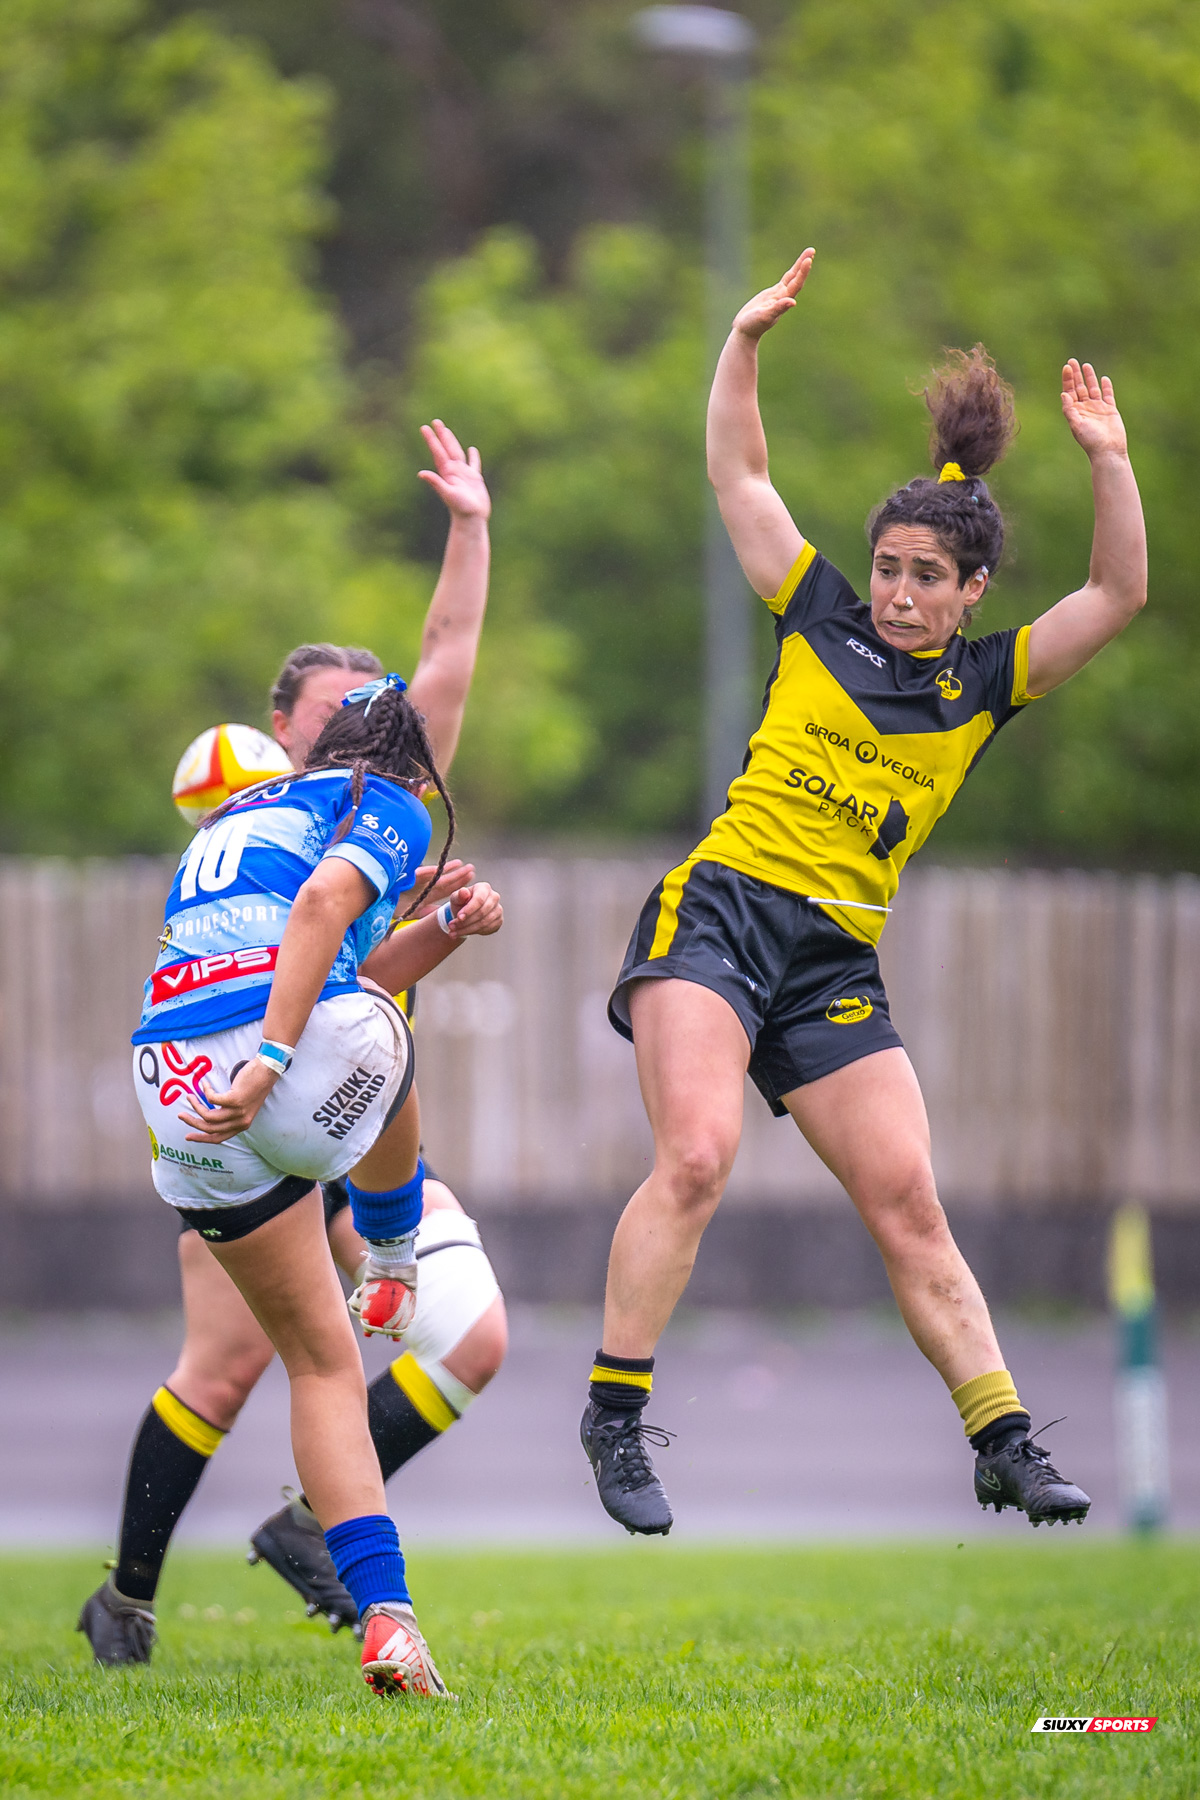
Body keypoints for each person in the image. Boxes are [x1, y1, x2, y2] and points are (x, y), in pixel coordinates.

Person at [581, 248, 1147, 1536]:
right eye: (887, 569)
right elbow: (740, 473)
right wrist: (743, 341)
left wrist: (1108, 457)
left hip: (835, 958)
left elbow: (1119, 592)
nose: (895, 592)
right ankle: (615, 1417)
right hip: (721, 913)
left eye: (925, 578)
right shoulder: (816, 618)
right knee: (699, 1156)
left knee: (907, 1198)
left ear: (972, 592)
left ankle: (1001, 1440)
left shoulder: (987, 684)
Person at [79, 423, 508, 1673]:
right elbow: (328, 919)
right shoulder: (375, 800)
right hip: (264, 1068)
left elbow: (328, 955)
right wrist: (270, 1059)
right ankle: (386, 1250)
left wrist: (428, 936)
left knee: (321, 1364)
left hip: (172, 1098)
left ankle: (386, 1616)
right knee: (380, 1054)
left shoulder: (255, 807)